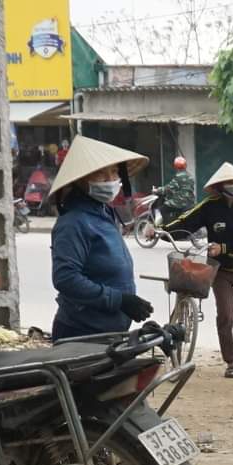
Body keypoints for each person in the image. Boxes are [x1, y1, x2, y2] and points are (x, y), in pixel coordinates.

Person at [48, 136, 153, 340]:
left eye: (114, 171)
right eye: (100, 174)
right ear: (81, 181)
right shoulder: (73, 223)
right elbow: (66, 279)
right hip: (82, 333)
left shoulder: (104, 212)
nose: (110, 179)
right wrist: (120, 300)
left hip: (110, 330)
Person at [167, 162, 233, 376]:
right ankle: (230, 362)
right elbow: (186, 221)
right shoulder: (209, 206)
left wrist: (224, 247)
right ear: (221, 186)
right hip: (220, 270)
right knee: (225, 315)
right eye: (229, 182)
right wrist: (160, 230)